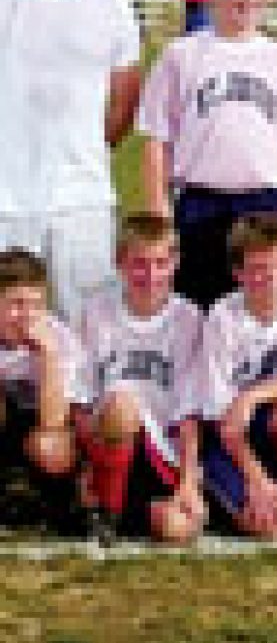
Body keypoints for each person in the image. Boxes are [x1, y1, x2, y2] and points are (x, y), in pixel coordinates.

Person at [139, 0, 277, 310]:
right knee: (197, 315)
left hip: (264, 204)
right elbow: (156, 144)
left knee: (264, 317)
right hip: (201, 204)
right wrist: (161, 221)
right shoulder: (180, 56)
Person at [0, 0, 141, 321]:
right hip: (8, 203)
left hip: (83, 203)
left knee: (88, 329)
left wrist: (83, 155)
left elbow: (123, 105)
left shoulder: (112, 9)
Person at [73, 214, 205, 543]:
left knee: (176, 531)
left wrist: (188, 482)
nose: (150, 274)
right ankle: (108, 512)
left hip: (161, 452)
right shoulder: (95, 314)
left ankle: (126, 514)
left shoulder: (189, 319)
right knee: (120, 403)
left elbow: (190, 413)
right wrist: (86, 466)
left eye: (161, 263)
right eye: (139, 263)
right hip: (108, 445)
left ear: (175, 262)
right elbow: (79, 402)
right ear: (119, 262)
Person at [196, 215, 277, 539]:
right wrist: (256, 478)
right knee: (269, 526)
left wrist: (250, 396)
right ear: (238, 274)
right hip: (227, 438)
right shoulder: (222, 318)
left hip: (267, 424)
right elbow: (221, 421)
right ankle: (230, 493)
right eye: (258, 268)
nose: (271, 278)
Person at [0, 249, 82, 530]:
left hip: (41, 428)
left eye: (36, 305)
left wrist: (48, 356)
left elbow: (53, 423)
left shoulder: (61, 339)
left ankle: (53, 502)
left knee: (52, 447)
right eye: (16, 304)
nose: (27, 315)